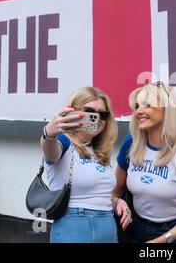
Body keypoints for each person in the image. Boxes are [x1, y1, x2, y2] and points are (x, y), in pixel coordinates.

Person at [112, 81, 176, 243]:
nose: (139, 111)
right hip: (137, 229)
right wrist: (118, 202)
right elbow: (114, 191)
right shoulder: (130, 145)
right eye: (137, 106)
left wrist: (161, 240)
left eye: (147, 105)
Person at [41, 86, 123, 243]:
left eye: (103, 114)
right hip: (74, 226)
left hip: (107, 225)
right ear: (74, 112)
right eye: (90, 111)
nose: (97, 118)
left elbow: (96, 193)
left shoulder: (100, 151)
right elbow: (50, 152)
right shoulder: (63, 142)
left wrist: (116, 201)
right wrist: (48, 134)